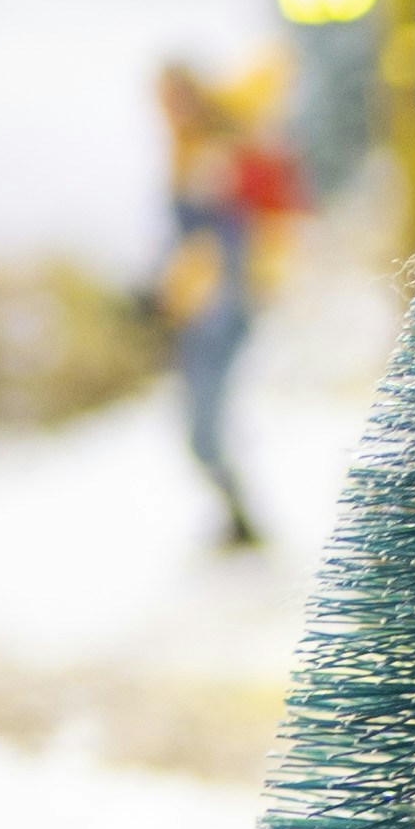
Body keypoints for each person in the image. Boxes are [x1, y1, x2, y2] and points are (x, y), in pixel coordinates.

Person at [151, 55, 302, 547]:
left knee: (205, 425)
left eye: (176, 98)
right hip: (199, 307)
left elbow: (266, 220)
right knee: (199, 427)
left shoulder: (227, 153)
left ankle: (242, 520)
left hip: (226, 303)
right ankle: (236, 517)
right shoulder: (185, 153)